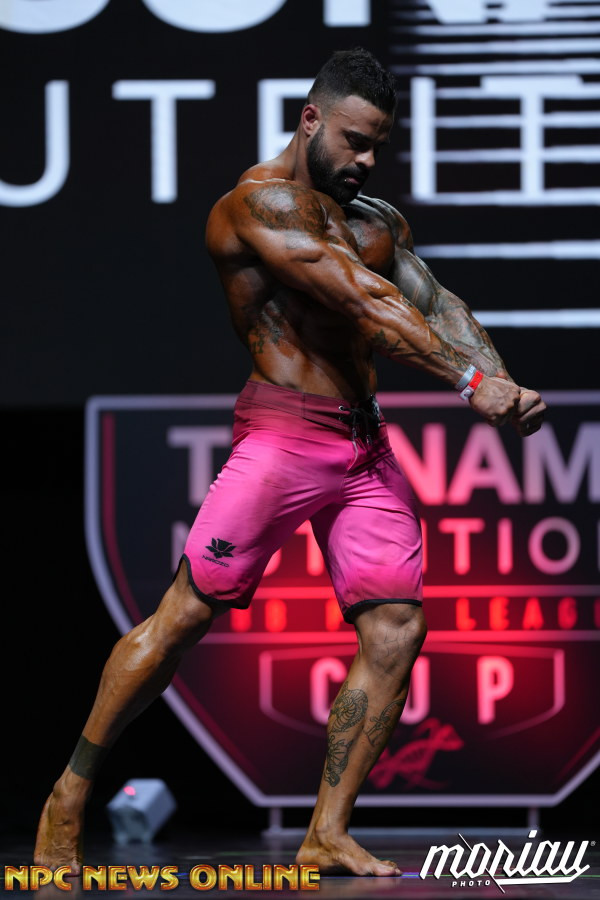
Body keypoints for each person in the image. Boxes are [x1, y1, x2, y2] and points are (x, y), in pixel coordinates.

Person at [35, 48, 546, 877]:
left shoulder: (375, 219)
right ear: (311, 120)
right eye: (353, 140)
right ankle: (69, 791)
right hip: (282, 436)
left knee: (397, 628)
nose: (366, 160)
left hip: (363, 444)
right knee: (183, 619)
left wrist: (502, 380)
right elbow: (361, 298)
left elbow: (435, 302)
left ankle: (327, 831)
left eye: (378, 145)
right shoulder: (255, 206)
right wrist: (469, 382)